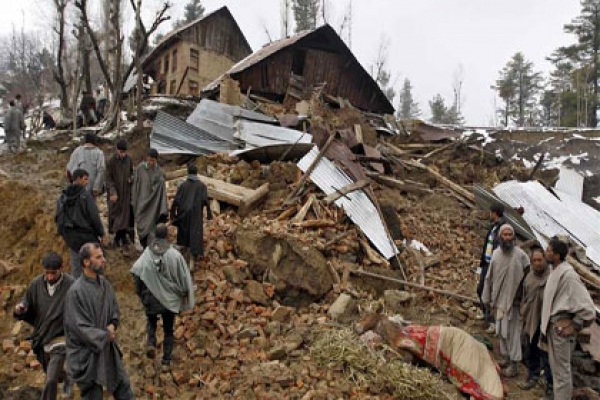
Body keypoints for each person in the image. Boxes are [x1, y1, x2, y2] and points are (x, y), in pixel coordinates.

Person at [64, 243, 134, 400]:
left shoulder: (105, 285)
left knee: (124, 390)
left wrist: (112, 324)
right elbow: (79, 328)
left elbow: (114, 310)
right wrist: (104, 335)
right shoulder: (75, 292)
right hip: (87, 356)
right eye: (98, 257)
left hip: (107, 351)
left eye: (102, 256)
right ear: (86, 262)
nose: (104, 260)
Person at [130, 224, 194, 367]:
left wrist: (141, 293)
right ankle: (166, 361)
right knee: (168, 329)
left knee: (151, 321)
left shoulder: (147, 253)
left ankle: (151, 343)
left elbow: (137, 272)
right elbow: (184, 278)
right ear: (167, 236)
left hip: (150, 297)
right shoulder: (175, 255)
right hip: (168, 300)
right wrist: (183, 295)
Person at [13, 252, 75, 400]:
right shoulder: (36, 284)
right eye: (47, 273)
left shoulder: (71, 285)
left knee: (51, 379)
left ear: (62, 268)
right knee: (53, 373)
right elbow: (26, 303)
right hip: (42, 338)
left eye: (53, 273)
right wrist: (20, 308)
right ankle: (67, 378)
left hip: (62, 338)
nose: (50, 277)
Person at [541, 238, 596, 400]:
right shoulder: (555, 271)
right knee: (558, 371)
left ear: (557, 255)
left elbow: (588, 309)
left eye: (549, 251)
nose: (546, 253)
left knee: (562, 373)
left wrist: (574, 326)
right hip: (553, 329)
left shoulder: (569, 275)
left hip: (561, 331)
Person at [482, 224, 529, 377]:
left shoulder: (521, 255)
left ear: (513, 237)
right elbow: (489, 278)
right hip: (498, 299)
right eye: (505, 234)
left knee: (512, 332)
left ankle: (514, 364)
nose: (508, 237)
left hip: (513, 301)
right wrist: (487, 298)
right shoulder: (495, 254)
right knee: (501, 331)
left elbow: (528, 277)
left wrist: (522, 297)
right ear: (500, 236)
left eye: (510, 235)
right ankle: (506, 357)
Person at [55, 169, 106, 278]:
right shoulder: (85, 196)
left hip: (72, 239)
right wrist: (102, 233)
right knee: (97, 265)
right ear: (78, 179)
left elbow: (59, 218)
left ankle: (77, 291)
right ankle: (98, 288)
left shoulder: (62, 197)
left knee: (76, 269)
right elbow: (94, 217)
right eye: (85, 179)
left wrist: (65, 235)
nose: (87, 182)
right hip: (87, 237)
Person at [519, 246, 552, 394]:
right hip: (531, 320)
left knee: (546, 354)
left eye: (540, 260)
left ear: (545, 260)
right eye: (534, 261)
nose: (537, 263)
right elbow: (524, 296)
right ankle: (533, 376)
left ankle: (549, 386)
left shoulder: (552, 277)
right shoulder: (529, 277)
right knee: (532, 349)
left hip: (547, 323)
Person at [170, 164, 213, 271]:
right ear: (196, 173)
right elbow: (205, 201)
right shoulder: (202, 186)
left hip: (183, 213)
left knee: (184, 231)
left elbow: (176, 201)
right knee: (195, 234)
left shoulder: (183, 185)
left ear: (188, 173)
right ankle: (192, 259)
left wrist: (172, 214)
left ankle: (182, 254)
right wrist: (208, 214)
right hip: (196, 215)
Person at [477, 204, 507, 332]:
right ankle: (485, 315)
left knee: (492, 293)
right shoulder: (493, 227)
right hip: (487, 263)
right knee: (481, 289)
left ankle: (493, 322)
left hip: (494, 266)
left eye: (491, 213)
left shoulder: (503, 229)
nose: (489, 215)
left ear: (495, 213)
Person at [132, 148, 168, 249]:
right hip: (141, 203)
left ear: (156, 160)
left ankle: (149, 247)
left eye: (153, 160)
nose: (151, 162)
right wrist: (134, 201)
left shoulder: (159, 171)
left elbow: (162, 182)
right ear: (147, 158)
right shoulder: (140, 169)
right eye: (150, 160)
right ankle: (144, 245)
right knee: (141, 224)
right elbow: (135, 185)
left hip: (153, 206)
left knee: (152, 227)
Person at [106, 140, 134, 250]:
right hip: (115, 193)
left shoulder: (129, 159)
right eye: (121, 152)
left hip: (126, 192)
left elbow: (132, 172)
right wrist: (112, 192)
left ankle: (121, 238)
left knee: (125, 215)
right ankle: (118, 237)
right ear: (117, 150)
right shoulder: (111, 161)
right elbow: (108, 179)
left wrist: (131, 178)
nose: (123, 154)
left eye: (124, 152)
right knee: (116, 215)